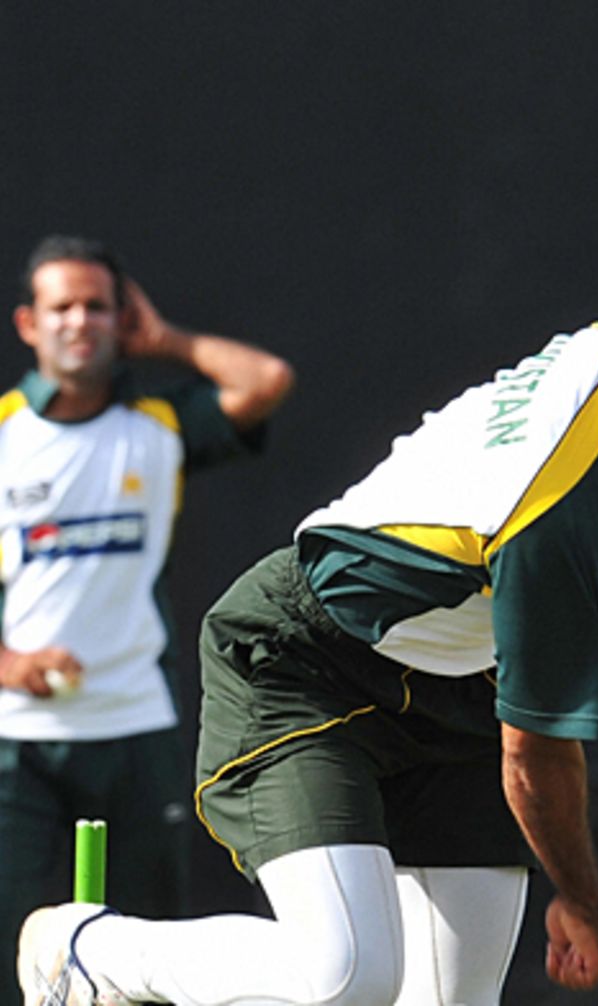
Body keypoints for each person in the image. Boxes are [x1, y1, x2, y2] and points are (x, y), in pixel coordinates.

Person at [17, 190, 598, 1005]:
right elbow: (535, 754)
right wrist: (583, 903)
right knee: (348, 979)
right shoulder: (561, 491)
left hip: (449, 676)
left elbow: (554, 494)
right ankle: (92, 952)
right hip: (306, 665)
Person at [0, 235, 294, 1006]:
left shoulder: (158, 426)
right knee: (15, 950)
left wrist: (166, 341)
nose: (80, 322)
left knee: (146, 953)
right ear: (29, 323)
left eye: (98, 306)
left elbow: (266, 381)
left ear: (121, 319)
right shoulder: (5, 434)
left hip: (136, 730)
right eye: (62, 306)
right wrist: (8, 664)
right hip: (16, 742)